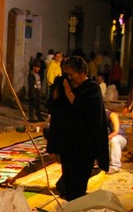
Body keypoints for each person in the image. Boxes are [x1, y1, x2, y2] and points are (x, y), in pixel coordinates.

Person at [46, 56, 108, 200]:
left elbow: (82, 107)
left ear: (82, 73)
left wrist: (68, 91)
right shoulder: (65, 86)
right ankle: (70, 210)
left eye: (71, 75)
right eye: (66, 75)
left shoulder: (92, 88)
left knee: (78, 184)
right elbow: (55, 111)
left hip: (84, 145)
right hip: (68, 144)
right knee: (68, 182)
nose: (69, 78)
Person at [106, 109, 127, 174]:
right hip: (106, 142)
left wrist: (115, 131)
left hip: (119, 138)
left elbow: (113, 115)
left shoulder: (98, 111)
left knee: (113, 139)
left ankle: (115, 166)